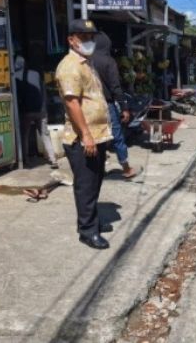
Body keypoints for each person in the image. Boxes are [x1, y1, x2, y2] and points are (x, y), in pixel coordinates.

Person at [56, 19, 113, 250]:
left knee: (96, 180)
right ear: (72, 39)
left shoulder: (86, 63)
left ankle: (91, 221)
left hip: (98, 134)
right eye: (83, 37)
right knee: (86, 184)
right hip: (83, 137)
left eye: (91, 37)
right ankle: (87, 231)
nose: (89, 41)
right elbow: (72, 104)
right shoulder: (70, 66)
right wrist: (87, 135)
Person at [91, 31, 138, 179]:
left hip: (89, 105)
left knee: (96, 136)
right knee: (116, 135)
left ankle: (97, 169)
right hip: (107, 104)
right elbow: (115, 87)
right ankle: (126, 168)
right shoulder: (108, 61)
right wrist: (124, 107)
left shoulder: (85, 60)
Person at [15, 55, 59, 169]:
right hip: (41, 110)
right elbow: (43, 91)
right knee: (45, 135)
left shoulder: (15, 77)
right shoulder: (36, 74)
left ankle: (26, 160)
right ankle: (53, 159)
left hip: (27, 111)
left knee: (24, 135)